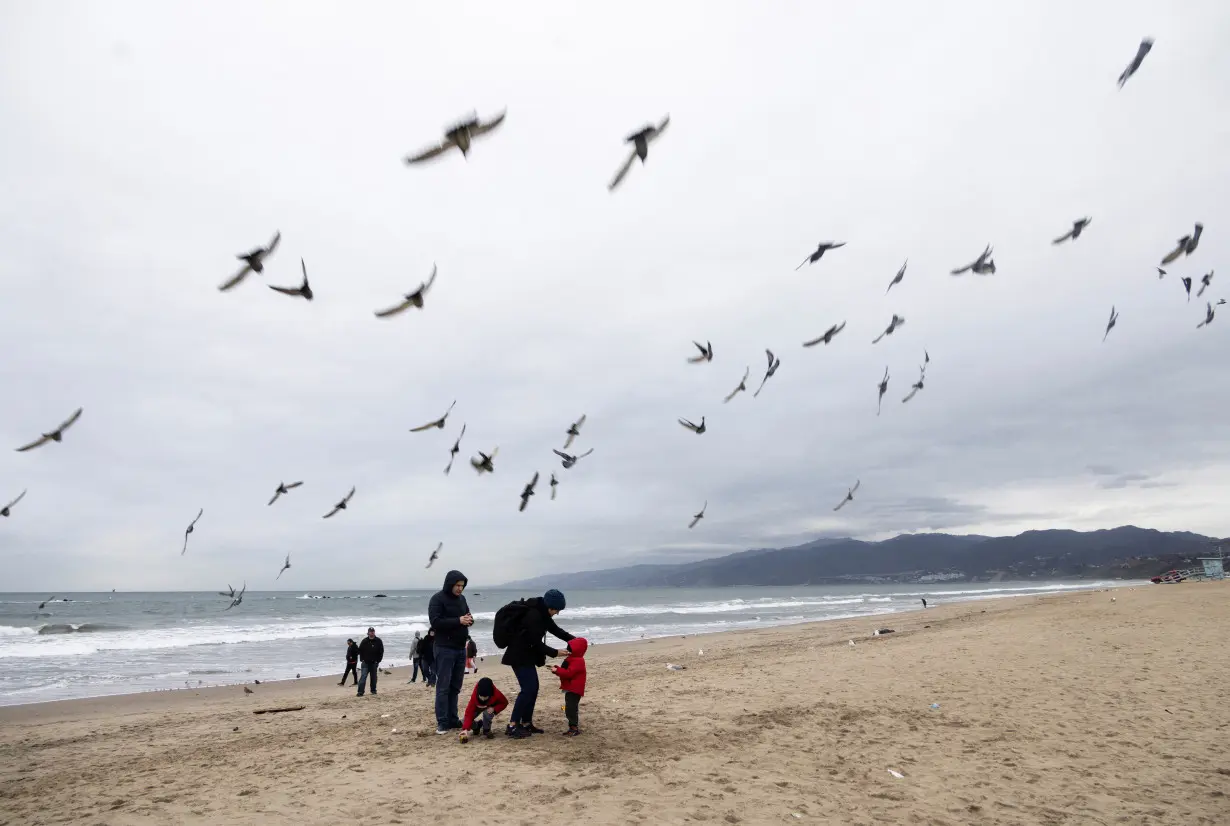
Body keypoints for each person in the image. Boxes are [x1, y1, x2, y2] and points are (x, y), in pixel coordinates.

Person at [500, 588, 574, 738]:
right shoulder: (533, 616)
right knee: (528, 689)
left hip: (527, 655)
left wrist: (575, 641)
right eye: (557, 610)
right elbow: (533, 642)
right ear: (550, 606)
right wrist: (555, 652)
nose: (557, 613)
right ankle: (513, 725)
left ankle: (526, 723)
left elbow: (556, 630)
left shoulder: (543, 613)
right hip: (518, 655)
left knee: (533, 688)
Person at [428, 570, 473, 734]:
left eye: (462, 586)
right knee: (443, 687)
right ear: (450, 584)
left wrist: (469, 620)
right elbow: (435, 622)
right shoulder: (437, 599)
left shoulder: (462, 599)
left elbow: (467, 615)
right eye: (457, 585)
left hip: (461, 648)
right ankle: (442, 722)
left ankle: (453, 719)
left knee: (455, 687)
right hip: (444, 648)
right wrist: (458, 620)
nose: (460, 589)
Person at [549, 637, 587, 736]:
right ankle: (572, 727)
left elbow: (569, 673)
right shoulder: (572, 658)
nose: (568, 650)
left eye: (570, 649)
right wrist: (557, 670)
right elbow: (565, 672)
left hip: (574, 688)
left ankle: (574, 728)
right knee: (569, 707)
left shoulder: (578, 661)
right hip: (570, 687)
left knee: (571, 708)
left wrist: (557, 670)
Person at [459, 676, 508, 743]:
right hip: (477, 707)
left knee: (487, 713)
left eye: (485, 697)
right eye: (481, 696)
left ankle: (486, 730)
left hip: (490, 707)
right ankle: (477, 726)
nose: (483, 699)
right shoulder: (474, 697)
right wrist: (465, 729)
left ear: (490, 694)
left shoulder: (496, 693)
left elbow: (504, 703)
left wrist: (494, 708)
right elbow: (469, 713)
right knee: (464, 721)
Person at [356, 626, 383, 697]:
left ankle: (373, 690)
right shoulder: (364, 641)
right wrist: (362, 659)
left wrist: (378, 661)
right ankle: (360, 692)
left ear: (374, 632)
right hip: (365, 663)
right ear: (368, 633)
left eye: (373, 631)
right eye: (370, 632)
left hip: (374, 663)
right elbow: (359, 650)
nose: (372, 633)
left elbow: (381, 651)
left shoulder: (378, 641)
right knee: (363, 677)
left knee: (373, 678)